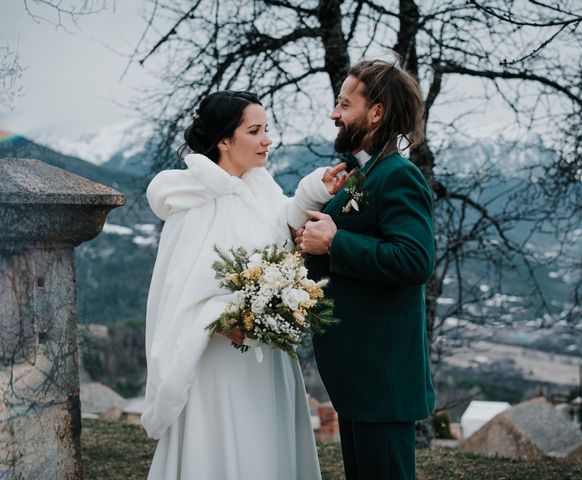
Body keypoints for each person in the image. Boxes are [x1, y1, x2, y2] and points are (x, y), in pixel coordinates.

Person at [142, 90, 347, 479]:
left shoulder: (260, 186)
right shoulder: (193, 203)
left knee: (267, 453)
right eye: (255, 131)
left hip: (268, 358)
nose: (267, 139)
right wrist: (227, 319)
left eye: (266, 129)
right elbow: (180, 292)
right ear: (224, 140)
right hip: (220, 363)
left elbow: (283, 230)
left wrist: (315, 189)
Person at [296, 60, 436, 480]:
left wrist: (336, 242)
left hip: (383, 376)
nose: (334, 114)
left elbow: (415, 259)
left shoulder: (399, 175)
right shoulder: (365, 172)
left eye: (344, 103)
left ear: (376, 112)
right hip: (360, 375)